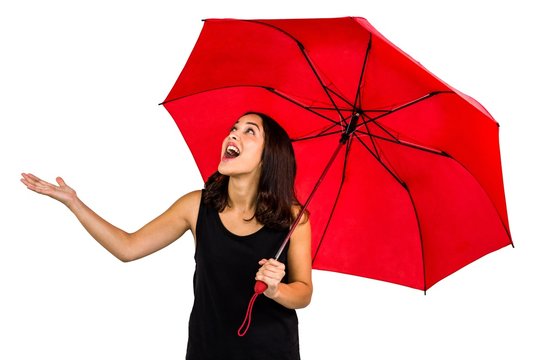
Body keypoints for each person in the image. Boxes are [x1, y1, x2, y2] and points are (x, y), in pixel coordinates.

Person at [21, 112, 313, 360]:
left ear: (268, 157)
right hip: (206, 351)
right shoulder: (195, 206)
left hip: (272, 352)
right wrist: (75, 203)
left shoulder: (294, 219)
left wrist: (277, 290)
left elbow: (304, 292)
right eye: (233, 129)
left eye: (249, 131)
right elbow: (128, 247)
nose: (233, 135)